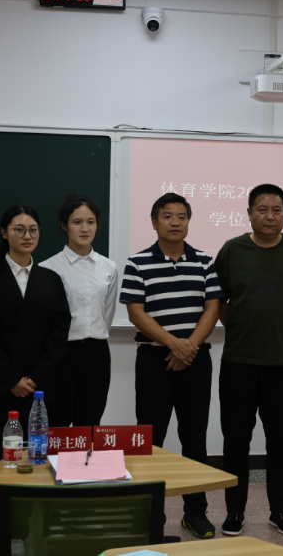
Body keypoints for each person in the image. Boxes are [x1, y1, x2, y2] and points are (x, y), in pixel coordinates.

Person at [119, 192, 223, 539]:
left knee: (195, 439)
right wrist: (174, 344)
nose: (175, 222)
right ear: (154, 222)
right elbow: (136, 313)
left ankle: (195, 512)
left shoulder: (204, 261)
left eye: (181, 216)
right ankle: (150, 515)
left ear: (188, 222)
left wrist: (188, 347)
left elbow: (213, 307)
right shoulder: (137, 263)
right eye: (167, 216)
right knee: (149, 440)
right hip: (154, 360)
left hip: (196, 360)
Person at [215, 183, 283, 537]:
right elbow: (219, 302)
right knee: (235, 441)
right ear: (248, 213)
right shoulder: (231, 250)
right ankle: (235, 511)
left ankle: (279, 510)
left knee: (281, 442)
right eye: (262, 209)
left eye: (276, 210)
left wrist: (280, 326)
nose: (269, 216)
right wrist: (241, 327)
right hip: (239, 362)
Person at [0, 204, 71, 549]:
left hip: (39, 391)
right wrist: (11, 379)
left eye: (33, 230)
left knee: (34, 461)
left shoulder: (50, 279)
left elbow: (59, 333)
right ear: (4, 233)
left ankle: (26, 529)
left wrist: (36, 378)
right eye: (19, 229)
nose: (27, 236)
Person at [40, 193, 118, 428]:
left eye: (90, 222)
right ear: (64, 226)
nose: (85, 228)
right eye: (77, 222)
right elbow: (44, 321)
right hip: (60, 354)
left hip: (97, 353)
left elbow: (107, 313)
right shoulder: (48, 268)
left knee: (91, 423)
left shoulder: (109, 267)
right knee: (58, 421)